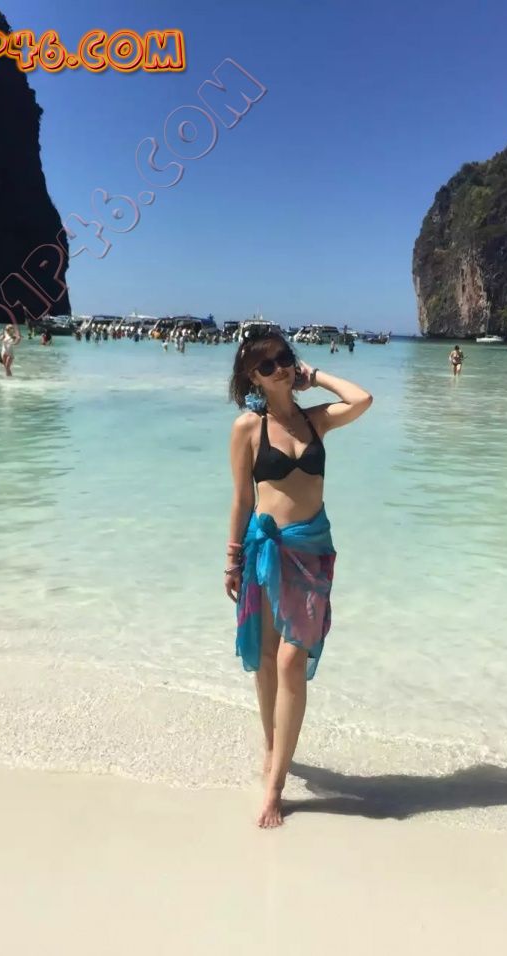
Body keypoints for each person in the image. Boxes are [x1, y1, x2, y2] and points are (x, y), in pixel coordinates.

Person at [226, 330, 373, 828]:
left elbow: (362, 400)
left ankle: (275, 786)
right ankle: (272, 750)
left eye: (285, 359)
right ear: (253, 377)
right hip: (265, 549)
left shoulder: (316, 420)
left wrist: (318, 376)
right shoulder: (248, 428)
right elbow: (242, 499)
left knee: (292, 660)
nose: (280, 369)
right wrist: (232, 558)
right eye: (267, 366)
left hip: (312, 551)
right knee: (267, 657)